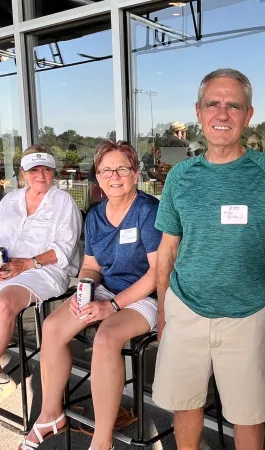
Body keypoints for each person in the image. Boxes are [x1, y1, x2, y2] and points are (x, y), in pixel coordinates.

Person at [153, 68, 265, 450]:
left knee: (248, 415)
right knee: (184, 406)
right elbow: (168, 249)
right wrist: (162, 311)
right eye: (213, 105)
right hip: (185, 309)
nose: (222, 115)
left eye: (233, 105)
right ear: (199, 112)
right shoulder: (180, 177)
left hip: (250, 316)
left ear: (249, 114)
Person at [22, 140, 162, 450]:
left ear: (135, 173)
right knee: (53, 327)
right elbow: (90, 265)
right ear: (97, 177)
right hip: (105, 291)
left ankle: (102, 441)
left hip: (143, 296)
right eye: (106, 170)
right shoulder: (96, 215)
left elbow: (156, 274)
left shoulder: (148, 212)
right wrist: (84, 290)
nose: (115, 176)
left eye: (122, 168)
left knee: (106, 338)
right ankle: (50, 415)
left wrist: (110, 306)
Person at [0, 145, 82, 403]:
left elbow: (63, 251)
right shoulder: (9, 200)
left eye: (46, 169)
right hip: (9, 268)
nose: (41, 175)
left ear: (53, 172)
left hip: (46, 271)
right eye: (34, 169)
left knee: (3, 304)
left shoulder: (63, 201)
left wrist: (26, 264)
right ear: (22, 172)